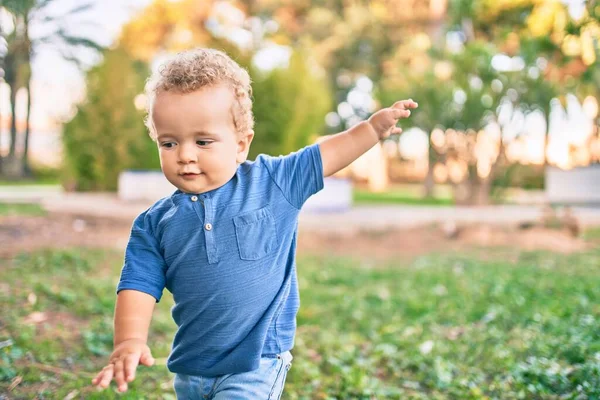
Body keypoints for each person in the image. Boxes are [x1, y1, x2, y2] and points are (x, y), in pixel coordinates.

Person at [92, 47, 417, 399]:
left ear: (241, 144)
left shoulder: (274, 182)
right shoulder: (154, 224)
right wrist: (128, 341)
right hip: (191, 370)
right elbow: (138, 286)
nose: (185, 155)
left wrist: (371, 129)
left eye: (203, 141)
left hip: (257, 363)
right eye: (168, 143)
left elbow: (327, 155)